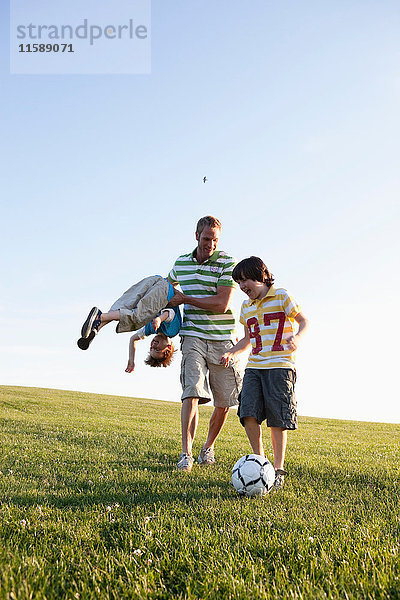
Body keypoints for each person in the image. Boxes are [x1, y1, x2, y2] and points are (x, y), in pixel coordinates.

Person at [219, 256, 308, 490]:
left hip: (280, 366)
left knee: (277, 419)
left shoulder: (281, 296)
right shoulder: (245, 307)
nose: (242, 287)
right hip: (254, 367)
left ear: (261, 276)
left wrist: (297, 337)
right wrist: (231, 352)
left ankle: (278, 470)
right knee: (247, 412)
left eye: (245, 280)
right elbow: (248, 339)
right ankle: (260, 462)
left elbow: (304, 321)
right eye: (238, 283)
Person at [167, 216, 242, 472]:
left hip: (222, 340)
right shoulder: (180, 263)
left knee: (224, 401)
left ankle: (207, 447)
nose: (210, 244)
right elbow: (167, 290)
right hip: (192, 336)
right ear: (196, 236)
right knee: (192, 391)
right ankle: (185, 454)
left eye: (215, 240)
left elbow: (222, 303)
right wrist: (161, 319)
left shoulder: (226, 262)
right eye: (206, 238)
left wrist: (186, 298)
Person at [77, 275, 182, 369]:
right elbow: (170, 313)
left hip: (153, 281)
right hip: (164, 290)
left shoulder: (151, 330)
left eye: (151, 348)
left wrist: (131, 361)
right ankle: (100, 317)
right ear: (168, 348)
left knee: (121, 309)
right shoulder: (172, 332)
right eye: (157, 350)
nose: (153, 345)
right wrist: (159, 319)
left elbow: (133, 339)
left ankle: (96, 328)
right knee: (137, 318)